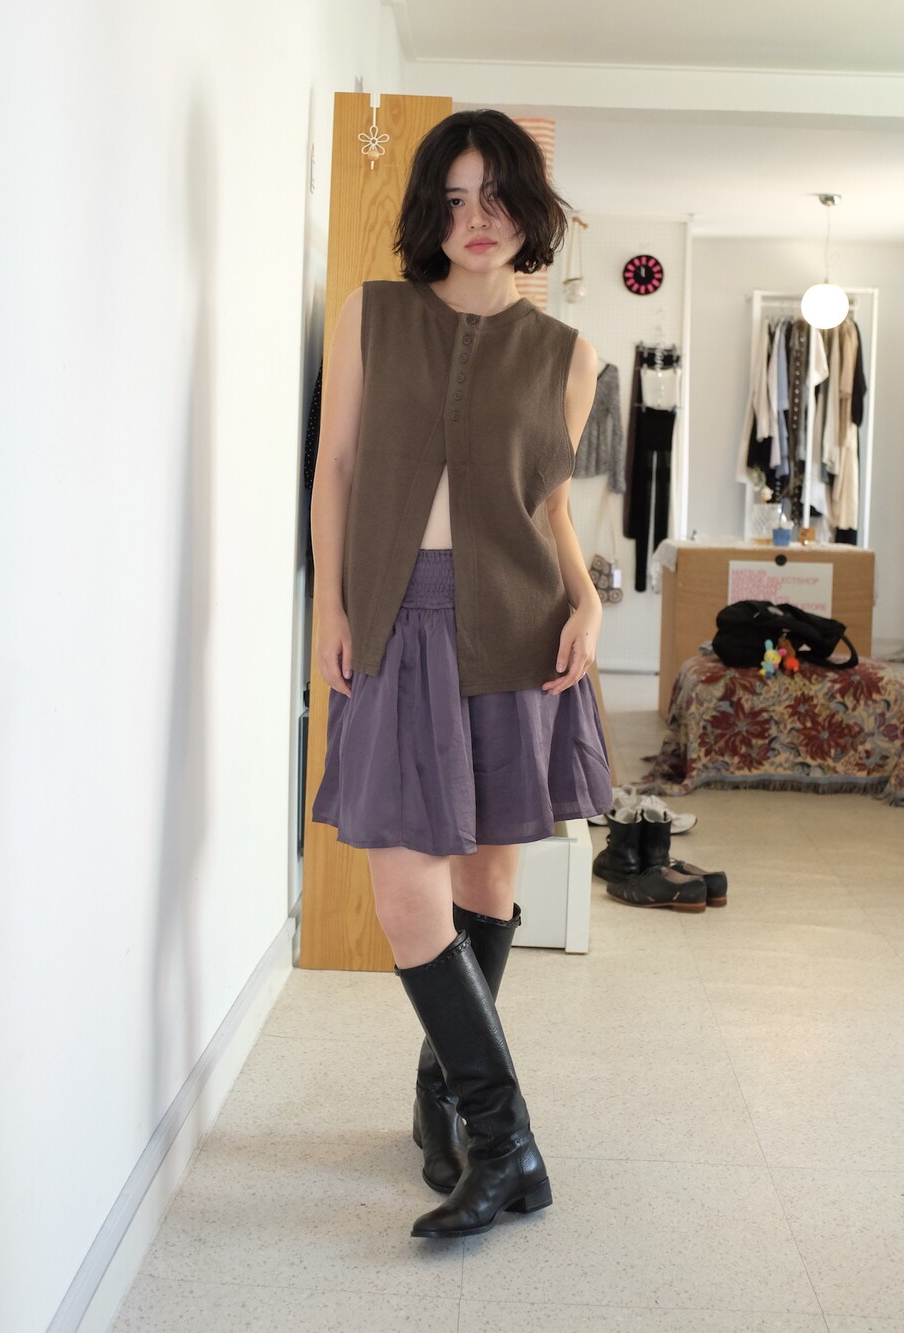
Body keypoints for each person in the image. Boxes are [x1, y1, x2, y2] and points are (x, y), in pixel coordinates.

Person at [309, 109, 612, 1240]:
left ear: (528, 208)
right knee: (406, 893)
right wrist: (330, 604)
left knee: (486, 882)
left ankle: (443, 1097)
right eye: (451, 199)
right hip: (395, 618)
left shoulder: (570, 356)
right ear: (426, 213)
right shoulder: (372, 315)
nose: (474, 220)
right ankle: (508, 1141)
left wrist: (587, 599)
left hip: (518, 624)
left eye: (494, 197)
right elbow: (336, 469)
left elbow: (548, 507)